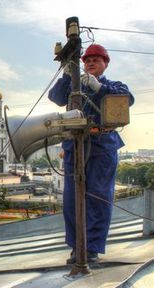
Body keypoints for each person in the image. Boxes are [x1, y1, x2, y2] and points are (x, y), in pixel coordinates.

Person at [48, 44, 135, 263]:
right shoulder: (74, 86)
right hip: (74, 146)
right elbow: (55, 97)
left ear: (106, 63)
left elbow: (127, 99)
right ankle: (77, 246)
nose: (90, 63)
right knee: (71, 199)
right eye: (87, 60)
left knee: (98, 196)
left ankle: (91, 248)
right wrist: (67, 75)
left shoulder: (113, 85)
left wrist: (99, 88)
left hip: (102, 145)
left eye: (96, 59)